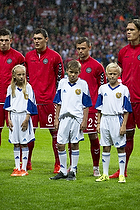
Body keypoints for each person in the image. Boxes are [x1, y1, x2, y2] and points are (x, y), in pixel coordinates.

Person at [25, 28, 64, 173]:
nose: (36, 41)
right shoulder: (28, 57)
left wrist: (58, 100)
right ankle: (27, 162)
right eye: (34, 38)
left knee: (55, 132)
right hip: (32, 102)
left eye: (39, 38)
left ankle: (58, 163)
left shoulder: (55, 57)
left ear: (46, 39)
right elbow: (26, 79)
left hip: (49, 101)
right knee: (29, 132)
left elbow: (60, 79)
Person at [50, 60, 92, 180]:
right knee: (60, 144)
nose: (72, 75)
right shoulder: (62, 83)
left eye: (75, 72)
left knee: (74, 144)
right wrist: (56, 119)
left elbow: (86, 105)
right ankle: (63, 170)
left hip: (76, 118)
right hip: (63, 118)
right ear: (67, 71)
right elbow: (58, 102)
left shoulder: (83, 84)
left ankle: (73, 170)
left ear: (79, 72)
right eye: (70, 72)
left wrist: (84, 120)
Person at [109, 19, 140, 178]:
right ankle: (123, 170)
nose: (128, 32)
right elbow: (120, 76)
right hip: (127, 101)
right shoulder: (123, 52)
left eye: (132, 29)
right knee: (127, 136)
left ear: (139, 32)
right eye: (127, 29)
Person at [74, 37, 107, 176]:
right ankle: (72, 167)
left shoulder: (97, 66)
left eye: (83, 48)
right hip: (75, 109)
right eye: (78, 48)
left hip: (92, 109)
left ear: (90, 47)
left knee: (93, 137)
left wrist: (101, 109)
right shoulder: (73, 66)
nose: (80, 51)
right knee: (72, 139)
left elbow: (103, 88)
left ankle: (96, 168)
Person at [95, 62, 132, 183]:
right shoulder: (102, 88)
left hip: (117, 119)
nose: (112, 76)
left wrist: (124, 125)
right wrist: (98, 123)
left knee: (120, 147)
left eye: (114, 74)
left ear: (119, 74)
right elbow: (99, 107)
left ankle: (121, 174)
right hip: (105, 119)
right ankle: (105, 174)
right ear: (106, 74)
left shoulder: (123, 89)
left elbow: (126, 109)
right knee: (105, 147)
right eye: (110, 73)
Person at [3, 65, 38, 176]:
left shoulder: (28, 87)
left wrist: (27, 119)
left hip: (23, 116)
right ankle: (17, 167)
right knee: (16, 143)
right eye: (19, 74)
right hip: (14, 116)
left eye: (23, 74)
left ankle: (24, 168)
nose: (22, 76)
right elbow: (8, 105)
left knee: (24, 143)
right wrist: (8, 119)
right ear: (14, 75)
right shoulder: (10, 88)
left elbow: (31, 104)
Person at [0, 28, 25, 146]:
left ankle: (21, 162)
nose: (3, 43)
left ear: (11, 40)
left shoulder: (18, 57)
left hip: (14, 101)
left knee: (18, 131)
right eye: (1, 40)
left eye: (6, 40)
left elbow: (24, 79)